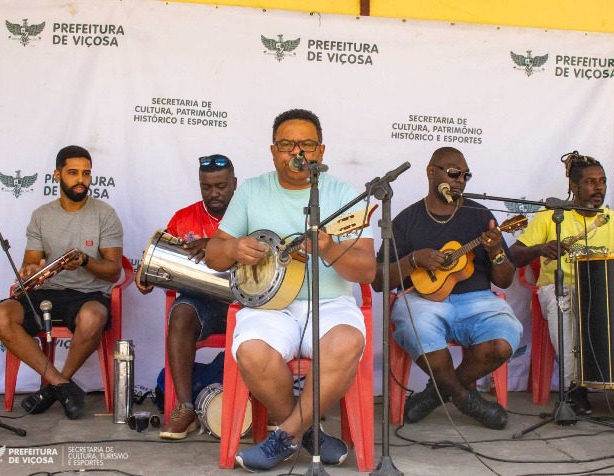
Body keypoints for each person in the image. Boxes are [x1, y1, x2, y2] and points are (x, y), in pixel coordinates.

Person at [205, 109, 376, 472]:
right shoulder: (251, 191)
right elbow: (214, 254)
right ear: (273, 150)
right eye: (286, 144)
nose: (297, 151)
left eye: (307, 144)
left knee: (346, 343)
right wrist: (235, 248)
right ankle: (306, 433)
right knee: (250, 352)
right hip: (268, 308)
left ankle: (283, 438)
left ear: (322, 150)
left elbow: (367, 270)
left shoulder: (344, 195)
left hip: (330, 304)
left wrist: (330, 249)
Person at [373, 146, 522, 430]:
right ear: (431, 172)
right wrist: (414, 259)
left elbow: (504, 280)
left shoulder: (480, 216)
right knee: (421, 329)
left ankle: (434, 395)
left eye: (466, 176)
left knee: (503, 342)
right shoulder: (406, 220)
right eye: (454, 173)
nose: (460, 181)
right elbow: (379, 281)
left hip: (477, 300)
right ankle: (465, 399)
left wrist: (496, 253)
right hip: (422, 300)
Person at [0, 145, 123, 420]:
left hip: (88, 294)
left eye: (86, 173)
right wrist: (30, 271)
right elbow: (31, 264)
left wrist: (85, 260)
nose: (80, 180)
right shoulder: (41, 215)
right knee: (0, 316)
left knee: (93, 317)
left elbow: (113, 272)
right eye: (73, 173)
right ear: (57, 175)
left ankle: (52, 388)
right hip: (47, 292)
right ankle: (60, 385)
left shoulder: (105, 214)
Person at [511, 152, 614, 414]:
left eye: (602, 181)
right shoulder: (551, 218)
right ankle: (574, 386)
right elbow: (513, 255)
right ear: (573, 187)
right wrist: (540, 248)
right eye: (591, 182)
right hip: (559, 288)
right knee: (566, 305)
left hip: (602, 290)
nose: (599, 187)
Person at [135, 154, 237, 440]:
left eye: (221, 186)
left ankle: (265, 405)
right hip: (202, 304)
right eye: (206, 187)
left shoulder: (250, 213)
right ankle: (185, 406)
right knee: (180, 314)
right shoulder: (183, 218)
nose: (213, 193)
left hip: (243, 304)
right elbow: (158, 260)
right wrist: (145, 277)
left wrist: (217, 246)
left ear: (234, 184)